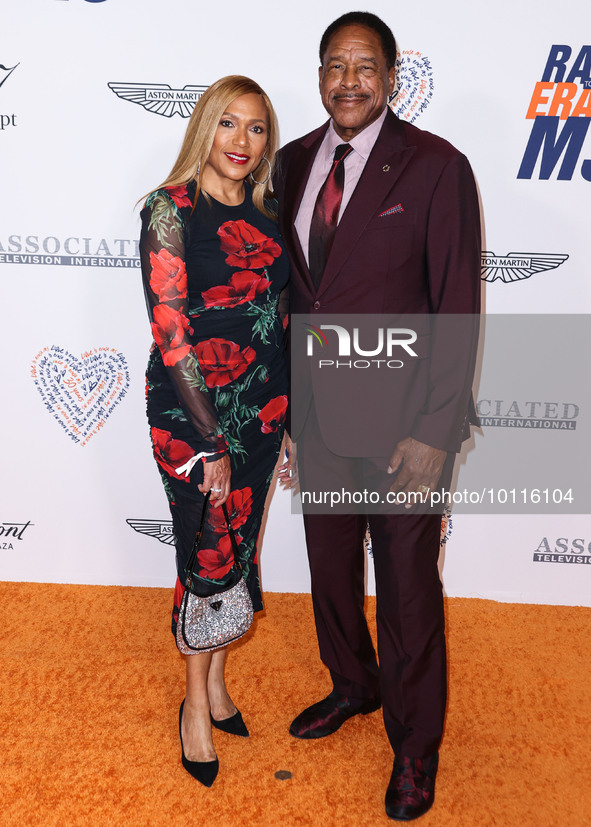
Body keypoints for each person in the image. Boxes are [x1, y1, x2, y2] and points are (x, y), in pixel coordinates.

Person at [274, 11, 481, 822]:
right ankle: (351, 685)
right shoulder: (290, 164)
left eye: (365, 65)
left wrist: (434, 430)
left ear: (391, 77)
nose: (348, 80)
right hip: (318, 419)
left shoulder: (435, 167)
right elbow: (293, 295)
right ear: (319, 76)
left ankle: (414, 744)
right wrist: (287, 413)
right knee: (329, 574)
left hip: (403, 428)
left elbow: (456, 304)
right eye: (334, 64)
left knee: (404, 591)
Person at [139, 75, 288, 787]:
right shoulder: (169, 210)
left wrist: (288, 422)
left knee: (241, 554)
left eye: (255, 128)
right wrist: (210, 443)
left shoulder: (270, 208)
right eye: (227, 124)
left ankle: (220, 681)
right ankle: (193, 706)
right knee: (206, 556)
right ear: (204, 128)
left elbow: (283, 322)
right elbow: (170, 334)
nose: (240, 141)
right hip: (193, 418)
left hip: (262, 410)